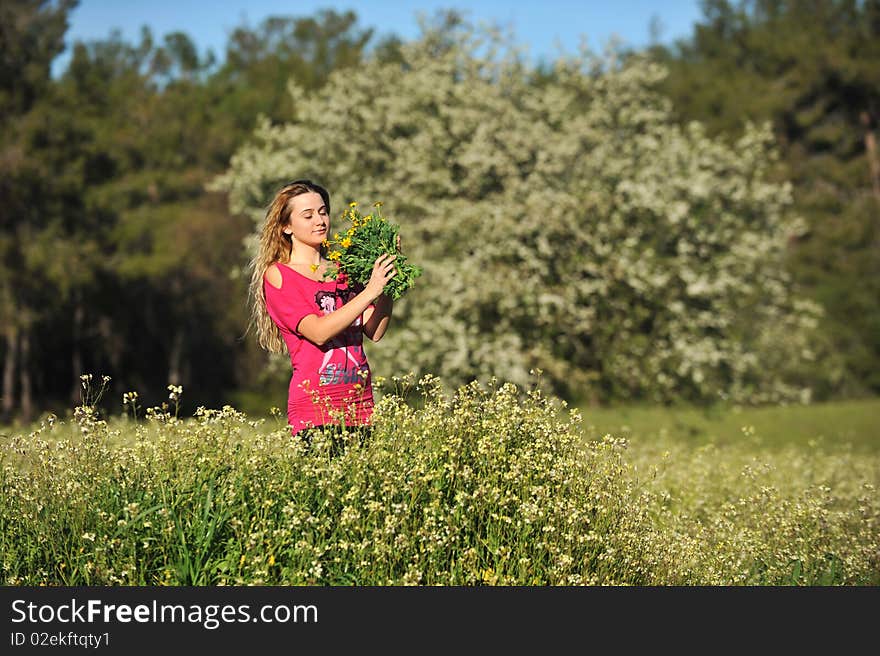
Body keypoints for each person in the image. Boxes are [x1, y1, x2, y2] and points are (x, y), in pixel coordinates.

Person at [247, 179, 398, 446]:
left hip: (360, 407)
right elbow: (318, 332)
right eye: (308, 215)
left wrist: (386, 284)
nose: (320, 220)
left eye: (323, 212)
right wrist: (370, 291)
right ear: (286, 227)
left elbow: (374, 331)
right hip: (316, 412)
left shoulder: (344, 270)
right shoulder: (279, 275)